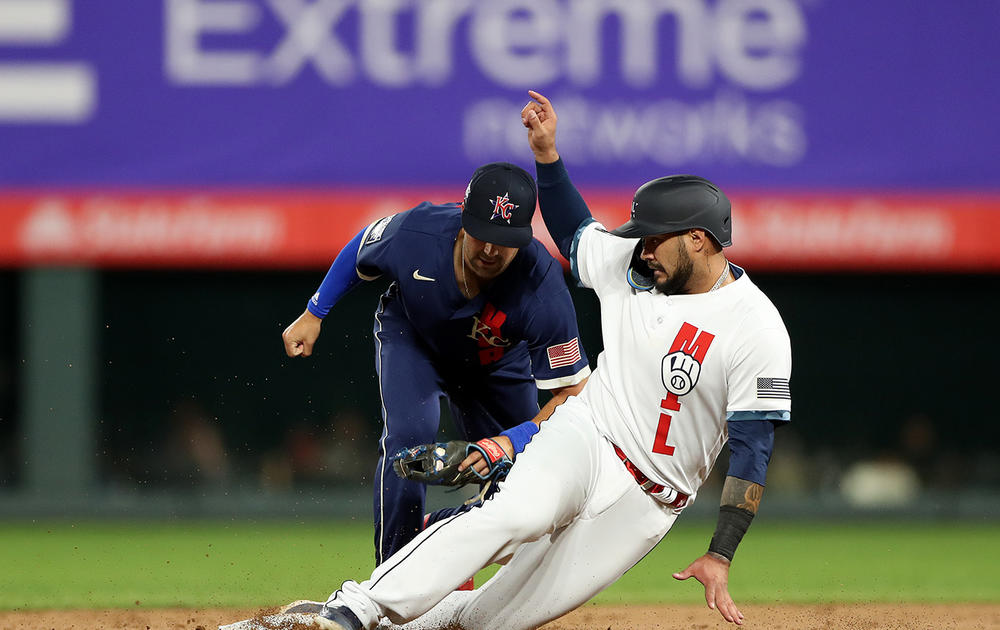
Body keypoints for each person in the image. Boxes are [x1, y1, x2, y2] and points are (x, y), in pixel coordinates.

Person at [242, 91, 793, 630]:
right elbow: (575, 229)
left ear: (698, 240)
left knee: (489, 619)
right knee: (514, 514)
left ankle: (342, 621)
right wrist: (547, 156)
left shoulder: (756, 327)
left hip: (649, 505)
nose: (641, 248)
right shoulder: (631, 264)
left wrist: (721, 552)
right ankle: (353, 610)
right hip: (588, 436)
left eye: (653, 239)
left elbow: (753, 448)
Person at [281, 162, 591, 566]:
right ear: (463, 219)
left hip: (496, 365)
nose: (492, 250)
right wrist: (315, 311)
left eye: (506, 239)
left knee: (528, 487)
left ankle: (434, 532)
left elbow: (572, 392)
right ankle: (391, 577)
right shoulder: (419, 233)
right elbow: (361, 250)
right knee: (408, 446)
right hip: (415, 340)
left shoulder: (541, 285)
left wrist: (510, 442)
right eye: (484, 234)